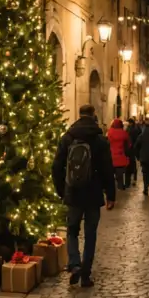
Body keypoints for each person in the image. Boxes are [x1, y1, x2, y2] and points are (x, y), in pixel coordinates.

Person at [51, 105, 116, 287]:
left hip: (73, 192)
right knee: (90, 234)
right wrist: (110, 195)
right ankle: (86, 274)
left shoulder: (68, 138)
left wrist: (61, 190)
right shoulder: (100, 140)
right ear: (94, 115)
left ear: (79, 115)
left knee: (72, 231)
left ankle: (74, 264)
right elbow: (107, 170)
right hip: (93, 194)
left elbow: (56, 167)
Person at [107, 118, 131, 190]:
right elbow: (128, 145)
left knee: (110, 175)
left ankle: (110, 188)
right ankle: (120, 187)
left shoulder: (109, 132)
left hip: (111, 157)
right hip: (121, 157)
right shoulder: (124, 133)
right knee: (120, 175)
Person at [126, 118, 141, 187]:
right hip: (133, 149)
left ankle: (131, 179)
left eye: (129, 122)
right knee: (133, 164)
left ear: (131, 123)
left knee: (131, 164)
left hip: (131, 149)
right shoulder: (135, 129)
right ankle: (133, 178)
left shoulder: (131, 129)